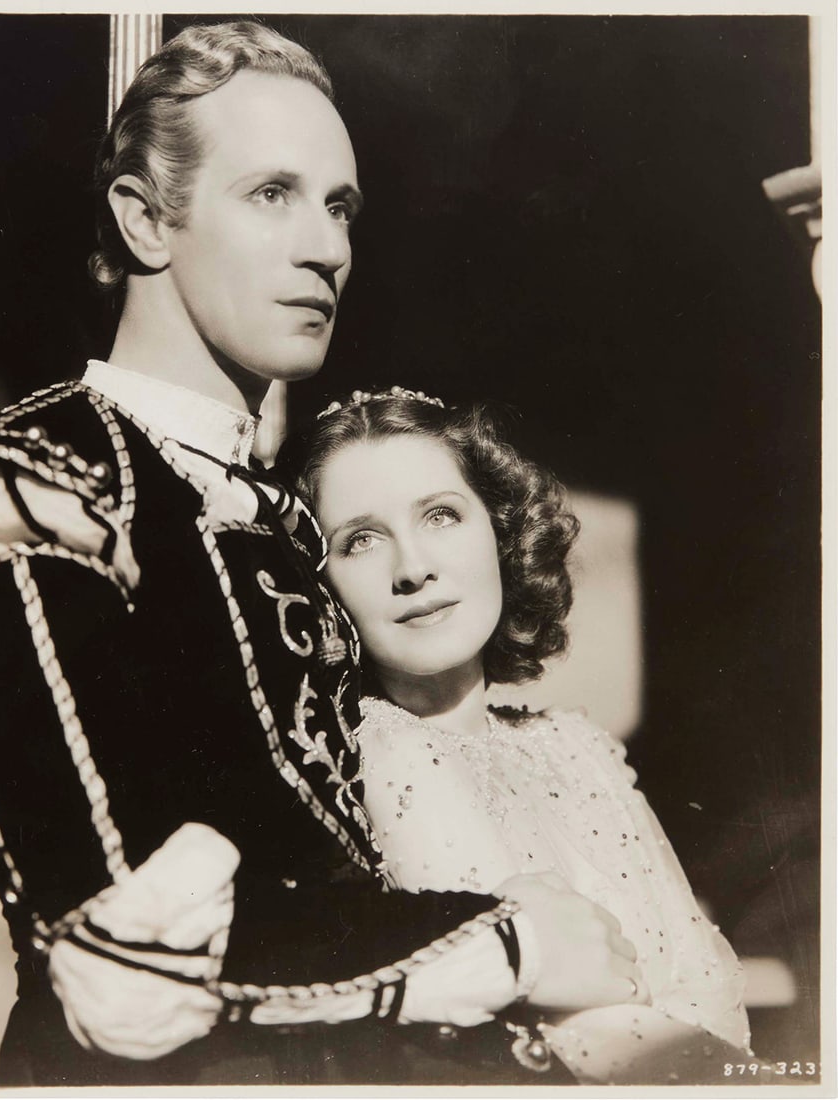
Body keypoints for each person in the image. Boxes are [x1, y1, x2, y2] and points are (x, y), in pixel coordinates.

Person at [0, 20, 648, 1088]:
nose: (327, 246)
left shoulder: (287, 515)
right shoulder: (49, 475)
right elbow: (123, 959)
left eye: (340, 206)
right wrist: (511, 942)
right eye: (272, 193)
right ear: (146, 220)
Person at [276, 385, 757, 1084]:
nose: (412, 568)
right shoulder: (384, 752)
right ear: (321, 588)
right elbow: (574, 1036)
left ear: (499, 532)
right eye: (360, 540)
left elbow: (706, 988)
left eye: (440, 515)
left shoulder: (574, 746)